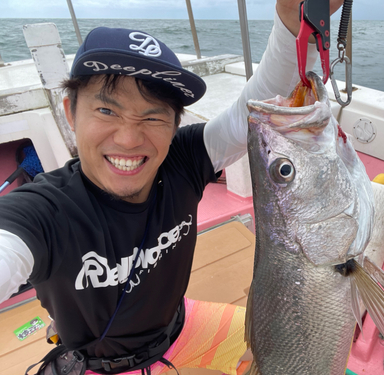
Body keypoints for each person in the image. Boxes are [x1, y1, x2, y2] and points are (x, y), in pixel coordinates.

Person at [0, 1, 343, 374]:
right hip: (98, 366)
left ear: (174, 123)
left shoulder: (182, 161)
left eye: (153, 116)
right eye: (106, 111)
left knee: (289, 355)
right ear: (70, 113)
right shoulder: (40, 210)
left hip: (182, 328)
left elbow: (257, 106)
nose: (130, 139)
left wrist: (293, 20)